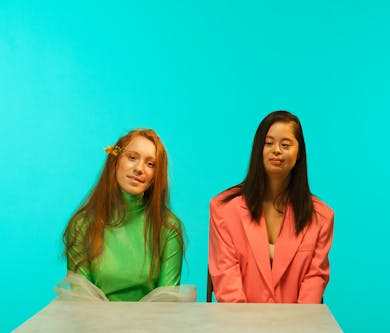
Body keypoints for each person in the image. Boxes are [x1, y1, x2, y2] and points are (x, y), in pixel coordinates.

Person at [209, 110, 334, 303]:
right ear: (258, 149)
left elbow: (314, 283)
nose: (276, 150)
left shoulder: (321, 217)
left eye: (285, 145)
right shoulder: (224, 209)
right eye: (268, 143)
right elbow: (228, 285)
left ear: (299, 152)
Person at [62, 129, 185, 301]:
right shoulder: (82, 224)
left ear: (156, 176)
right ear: (115, 160)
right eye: (132, 158)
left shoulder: (168, 227)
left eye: (151, 164)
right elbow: (83, 301)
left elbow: (164, 304)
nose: (140, 169)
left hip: (150, 325)